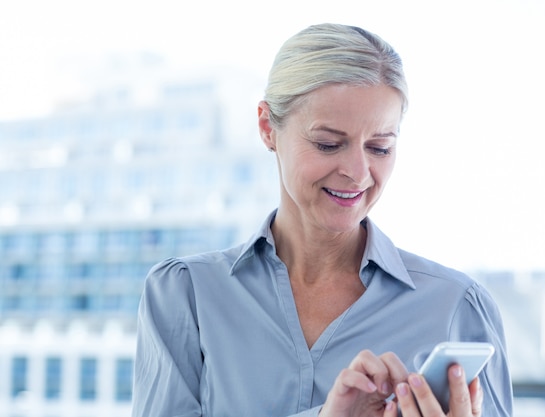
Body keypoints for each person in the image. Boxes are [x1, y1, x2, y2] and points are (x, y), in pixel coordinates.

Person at [131, 23, 514, 417]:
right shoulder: (186, 294)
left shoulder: (457, 307)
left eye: (380, 147)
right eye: (328, 144)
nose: (358, 172)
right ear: (267, 127)